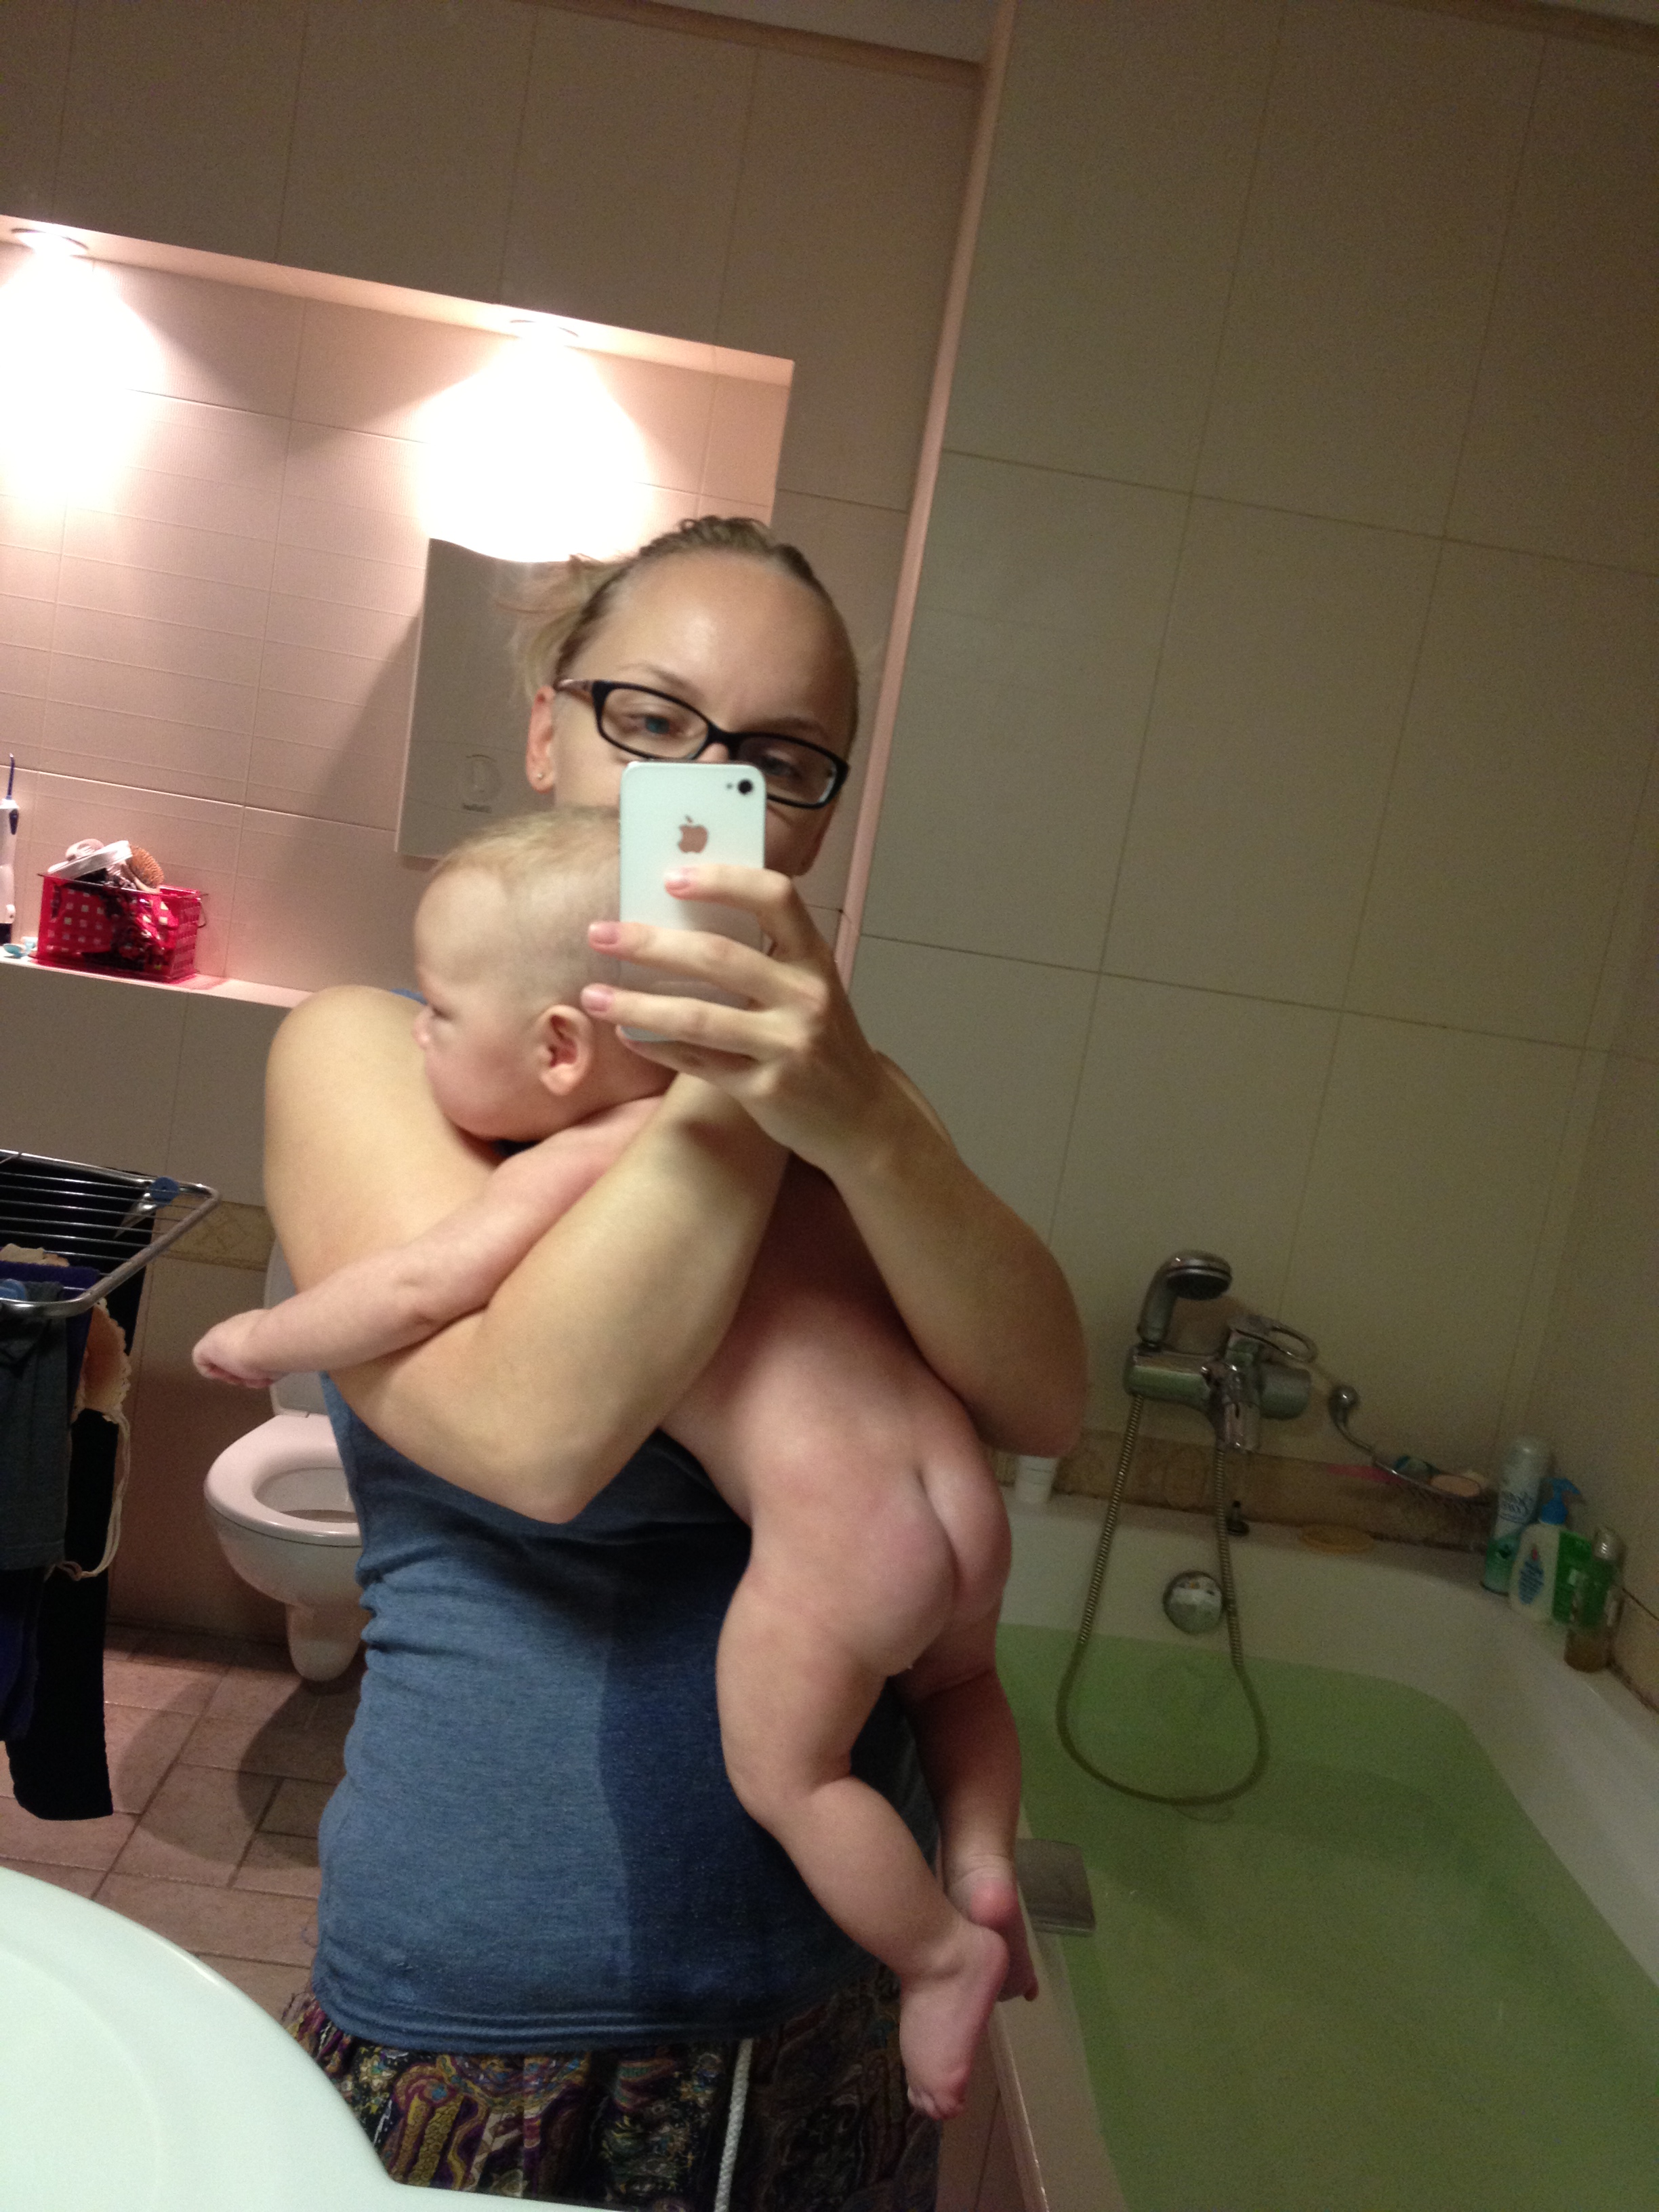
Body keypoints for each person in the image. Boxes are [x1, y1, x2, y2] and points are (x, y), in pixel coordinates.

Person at [260, 516, 1086, 2205]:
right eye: (651, 722)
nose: (705, 789)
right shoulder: (388, 1052)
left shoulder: (848, 1092)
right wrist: (724, 1090)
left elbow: (1045, 1401)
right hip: (494, 2007)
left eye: (778, 761)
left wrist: (867, 1122)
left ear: (819, 815)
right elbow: (535, 1434)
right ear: (547, 729)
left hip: (833, 2011)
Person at [196, 807, 1036, 2121]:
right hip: (960, 1501)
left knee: (795, 1776)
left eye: (442, 1015)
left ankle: (939, 1954)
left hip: (843, 1541)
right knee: (964, 1683)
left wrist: (258, 1339)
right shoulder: (797, 1142)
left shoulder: (594, 1154)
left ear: (558, 1048)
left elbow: (417, 1286)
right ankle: (981, 1870)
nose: (419, 1034)